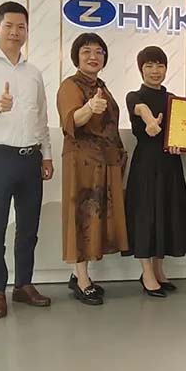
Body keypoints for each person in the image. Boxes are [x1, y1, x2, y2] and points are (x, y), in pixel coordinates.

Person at [0, 1, 54, 318]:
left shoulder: (34, 73)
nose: (15, 32)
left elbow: (41, 117)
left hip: (30, 158)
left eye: (21, 27)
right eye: (9, 26)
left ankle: (23, 285)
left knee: (28, 228)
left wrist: (46, 155)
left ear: (27, 31)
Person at [57, 33, 128, 306]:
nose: (93, 56)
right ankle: (81, 279)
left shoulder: (102, 86)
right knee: (81, 216)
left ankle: (80, 275)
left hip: (105, 161)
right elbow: (71, 120)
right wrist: (88, 107)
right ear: (76, 56)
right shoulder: (70, 85)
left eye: (99, 52)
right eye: (86, 51)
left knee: (97, 218)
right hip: (82, 163)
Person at [124, 46, 186, 297]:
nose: (155, 71)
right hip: (146, 164)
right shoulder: (134, 96)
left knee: (165, 214)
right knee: (146, 216)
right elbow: (141, 108)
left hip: (169, 164)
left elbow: (184, 130)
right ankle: (146, 274)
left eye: (160, 66)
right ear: (140, 69)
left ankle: (158, 269)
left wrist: (182, 143)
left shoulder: (173, 99)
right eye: (149, 66)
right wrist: (149, 122)